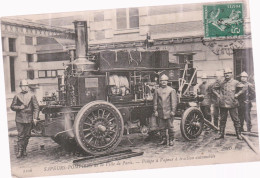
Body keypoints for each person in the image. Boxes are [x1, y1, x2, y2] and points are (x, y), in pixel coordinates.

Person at [10, 79, 39, 158]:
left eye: (26, 86)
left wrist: (35, 118)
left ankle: (24, 149)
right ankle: (20, 151)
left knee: (27, 136)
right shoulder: (17, 96)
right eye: (23, 86)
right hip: (19, 119)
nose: (24, 88)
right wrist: (19, 107)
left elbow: (36, 107)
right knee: (20, 136)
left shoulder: (32, 95)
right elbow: (12, 106)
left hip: (29, 119)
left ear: (28, 87)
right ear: (20, 87)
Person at [214, 68, 245, 140]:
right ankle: (221, 134)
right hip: (223, 104)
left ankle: (238, 134)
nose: (227, 74)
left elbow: (243, 88)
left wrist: (237, 94)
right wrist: (218, 95)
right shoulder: (221, 82)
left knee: (236, 119)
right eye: (225, 73)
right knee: (222, 119)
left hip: (232, 104)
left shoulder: (235, 82)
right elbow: (214, 89)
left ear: (231, 74)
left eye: (228, 73)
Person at [153, 74, 177, 146]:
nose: (163, 82)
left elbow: (174, 102)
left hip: (169, 112)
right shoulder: (157, 91)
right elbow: (155, 102)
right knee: (161, 127)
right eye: (162, 81)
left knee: (170, 127)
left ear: (167, 81)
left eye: (165, 81)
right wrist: (155, 111)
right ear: (160, 82)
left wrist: (173, 111)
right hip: (160, 112)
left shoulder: (171, 90)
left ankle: (171, 140)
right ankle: (164, 139)